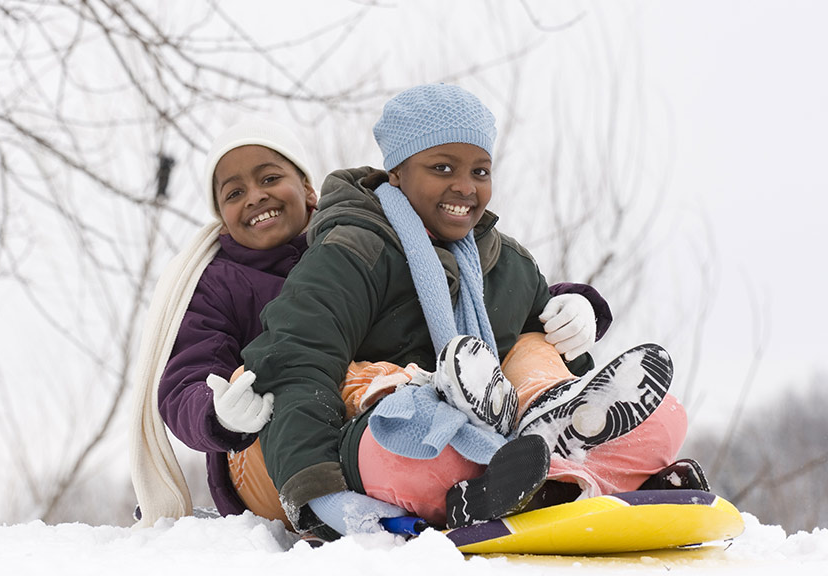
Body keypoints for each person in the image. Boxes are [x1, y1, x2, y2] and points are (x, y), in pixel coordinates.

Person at [240, 83, 705, 541]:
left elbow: (588, 394)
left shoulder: (509, 264)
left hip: (500, 454)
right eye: (442, 168)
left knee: (658, 415)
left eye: (480, 171)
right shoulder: (353, 251)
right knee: (408, 428)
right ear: (397, 172)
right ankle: (515, 474)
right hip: (368, 445)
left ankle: (550, 467)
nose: (465, 187)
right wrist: (321, 494)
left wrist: (574, 325)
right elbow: (297, 365)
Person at [129, 119, 319, 527]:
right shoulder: (216, 284)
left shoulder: (349, 249)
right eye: (234, 193)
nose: (255, 196)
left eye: (269, 177)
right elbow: (185, 381)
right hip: (261, 453)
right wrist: (219, 415)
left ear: (307, 187)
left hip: (355, 423)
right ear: (221, 215)